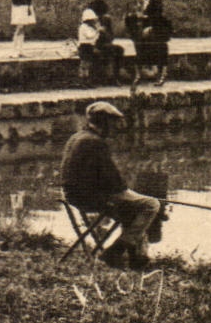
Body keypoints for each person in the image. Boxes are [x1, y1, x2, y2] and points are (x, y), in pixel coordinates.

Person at [60, 101, 162, 269]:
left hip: (73, 194)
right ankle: (116, 250)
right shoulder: (95, 142)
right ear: (105, 122)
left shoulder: (77, 137)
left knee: (133, 211)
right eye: (113, 123)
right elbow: (112, 180)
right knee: (151, 204)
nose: (115, 128)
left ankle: (136, 259)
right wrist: (126, 191)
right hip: (89, 197)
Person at [125, 0, 173, 87]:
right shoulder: (140, 2)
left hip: (156, 30)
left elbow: (157, 17)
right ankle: (139, 75)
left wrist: (149, 24)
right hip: (144, 32)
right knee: (140, 46)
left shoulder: (156, 1)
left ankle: (161, 75)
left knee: (158, 49)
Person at [77, 0, 123, 84]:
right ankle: (93, 78)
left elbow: (111, 36)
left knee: (118, 49)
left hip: (102, 43)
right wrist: (97, 30)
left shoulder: (106, 20)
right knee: (87, 61)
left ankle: (114, 76)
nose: (98, 17)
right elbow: (86, 35)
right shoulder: (86, 21)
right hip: (90, 45)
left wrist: (104, 33)